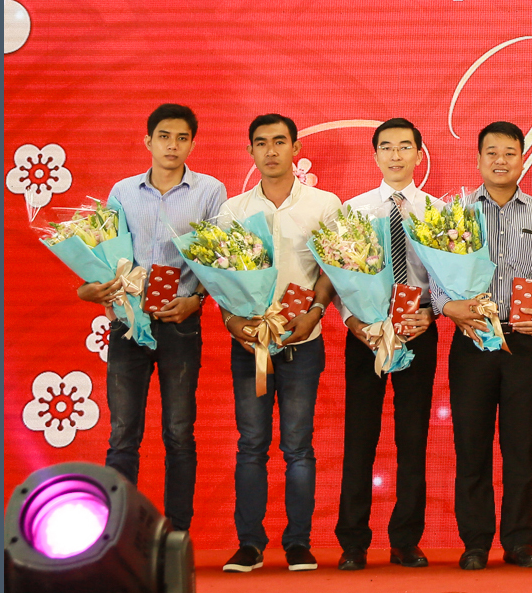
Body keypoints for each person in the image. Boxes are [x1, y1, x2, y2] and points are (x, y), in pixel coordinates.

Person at [80, 104, 226, 537]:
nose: (172, 145)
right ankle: (117, 534)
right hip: (128, 323)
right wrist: (100, 287)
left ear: (193, 143)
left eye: (182, 138)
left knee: (179, 432)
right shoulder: (123, 192)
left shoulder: (210, 191)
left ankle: (178, 534)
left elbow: (220, 259)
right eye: (164, 136)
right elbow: (106, 250)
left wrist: (196, 300)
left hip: (180, 322)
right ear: (148, 141)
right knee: (123, 432)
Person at [429, 120, 532, 570]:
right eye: (492, 152)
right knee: (471, 444)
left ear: (523, 159)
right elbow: (437, 277)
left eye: (510, 152)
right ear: (478, 159)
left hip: (525, 340)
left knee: (520, 445)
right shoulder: (456, 214)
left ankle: (519, 540)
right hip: (472, 341)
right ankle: (475, 542)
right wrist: (448, 307)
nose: (501, 160)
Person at [217, 114, 341, 573]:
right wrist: (233, 321)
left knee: (298, 447)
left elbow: (334, 268)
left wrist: (315, 313)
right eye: (261, 143)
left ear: (296, 148)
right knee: (251, 444)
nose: (270, 151)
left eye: (279, 142)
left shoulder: (324, 205)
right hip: (249, 346)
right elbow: (219, 275)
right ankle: (249, 544)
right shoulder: (233, 210)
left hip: (303, 342)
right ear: (249, 151)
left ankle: (298, 544)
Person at [334, 118, 438, 570]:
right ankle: (353, 542)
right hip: (366, 335)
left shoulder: (436, 211)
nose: (396, 155)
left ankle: (406, 540)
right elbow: (337, 275)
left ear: (419, 154)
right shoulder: (352, 211)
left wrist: (432, 313)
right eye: (387, 147)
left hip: (418, 330)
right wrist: (353, 320)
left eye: (405, 147)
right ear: (374, 154)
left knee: (413, 438)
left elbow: (448, 278)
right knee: (360, 437)